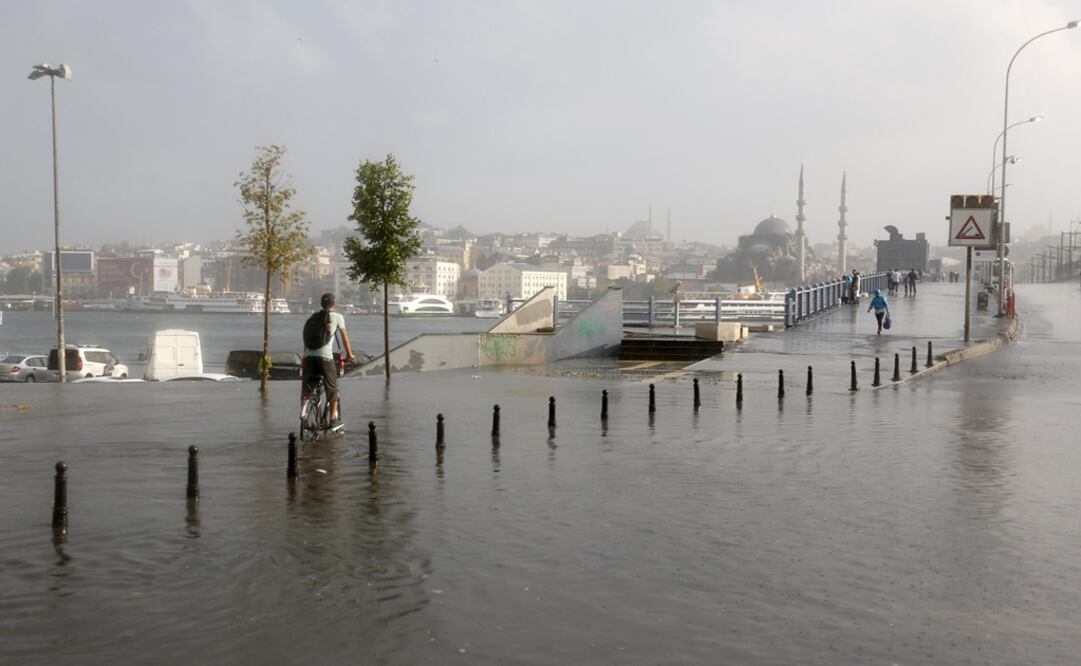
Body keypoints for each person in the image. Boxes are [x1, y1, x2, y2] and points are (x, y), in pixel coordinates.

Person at [303, 292, 355, 432]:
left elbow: (306, 339)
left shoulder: (313, 318)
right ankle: (333, 420)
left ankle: (304, 413)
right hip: (325, 358)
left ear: (321, 304)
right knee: (332, 388)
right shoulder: (337, 317)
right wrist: (349, 355)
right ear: (334, 304)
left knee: (307, 389)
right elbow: (345, 339)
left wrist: (305, 357)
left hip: (308, 358)